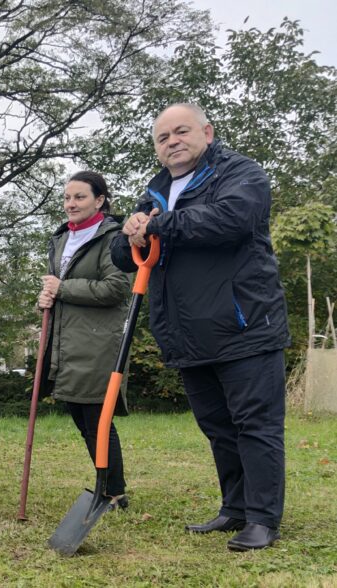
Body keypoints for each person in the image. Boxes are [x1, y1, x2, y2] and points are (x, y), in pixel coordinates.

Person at [111, 103, 291, 551]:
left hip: (244, 325)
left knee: (255, 424)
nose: (172, 141)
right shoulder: (155, 191)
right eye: (162, 137)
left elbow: (231, 219)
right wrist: (131, 231)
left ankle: (264, 519)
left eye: (181, 131)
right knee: (217, 425)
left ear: (207, 133)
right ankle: (235, 509)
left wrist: (159, 225)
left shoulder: (240, 173)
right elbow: (119, 254)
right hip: (188, 333)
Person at [38, 171, 132, 508]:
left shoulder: (113, 237)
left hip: (97, 341)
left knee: (97, 418)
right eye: (67, 198)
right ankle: (108, 486)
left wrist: (62, 289)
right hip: (66, 343)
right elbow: (56, 287)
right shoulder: (62, 239)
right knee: (82, 417)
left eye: (79, 197)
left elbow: (117, 287)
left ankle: (114, 492)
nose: (71, 204)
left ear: (100, 200)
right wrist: (46, 298)